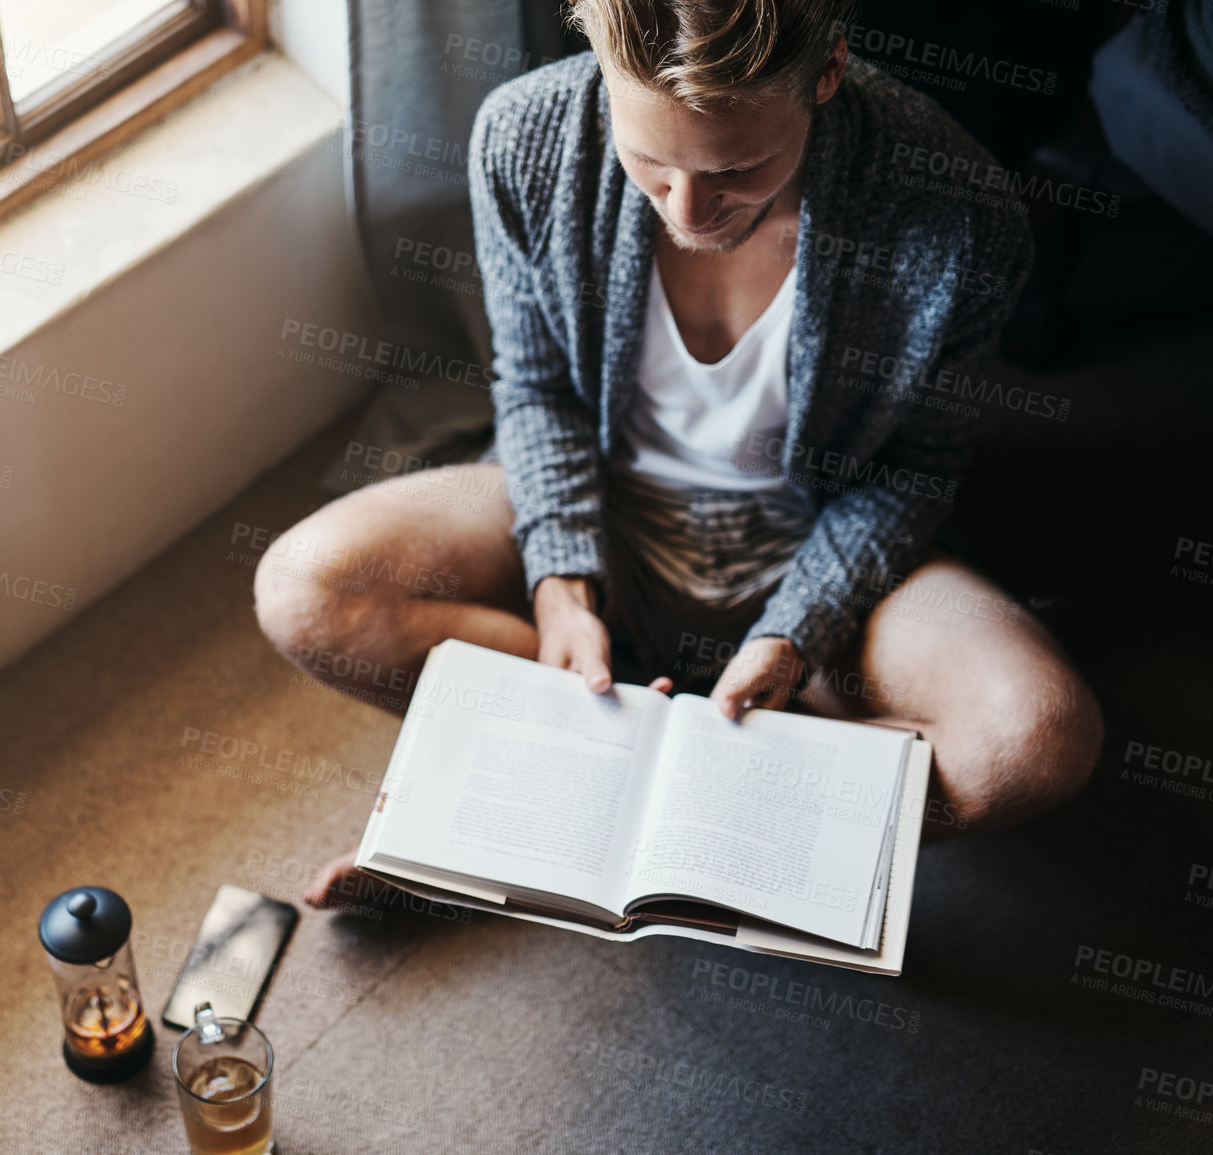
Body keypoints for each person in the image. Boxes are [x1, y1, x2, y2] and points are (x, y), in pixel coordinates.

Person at [253, 0, 1103, 909]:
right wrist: (560, 583)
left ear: (827, 72)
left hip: (815, 534)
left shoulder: (955, 208)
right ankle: (577, 810)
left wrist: (795, 631)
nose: (688, 211)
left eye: (737, 168)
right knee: (303, 589)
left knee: (1036, 738)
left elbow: (914, 471)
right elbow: (535, 388)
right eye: (648, 162)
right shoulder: (525, 133)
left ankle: (636, 833)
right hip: (603, 506)